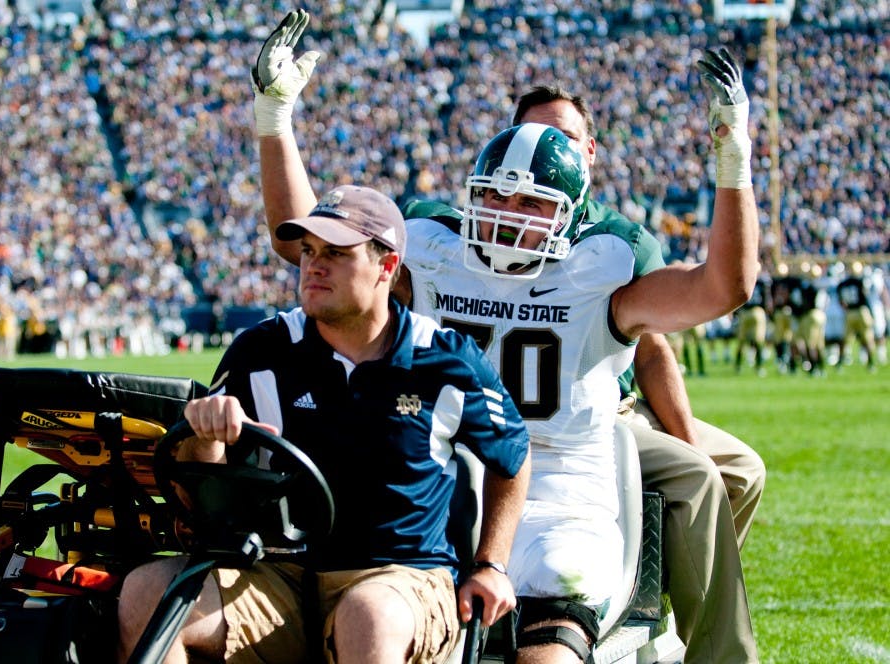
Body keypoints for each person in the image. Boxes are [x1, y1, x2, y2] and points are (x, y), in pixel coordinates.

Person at [251, 11, 760, 662]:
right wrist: (275, 119)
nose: (508, 216)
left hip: (555, 496)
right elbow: (310, 242)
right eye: (496, 197)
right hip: (438, 485)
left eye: (532, 203)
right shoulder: (436, 251)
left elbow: (724, 287)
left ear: (574, 206)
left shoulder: (600, 268)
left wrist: (732, 156)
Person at [116, 184, 532, 664]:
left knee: (367, 616)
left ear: (387, 267)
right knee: (147, 593)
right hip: (279, 575)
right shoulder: (261, 351)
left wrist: (491, 563)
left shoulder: (445, 359)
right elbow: (200, 500)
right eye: (309, 250)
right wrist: (205, 439)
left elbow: (514, 458)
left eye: (336, 253)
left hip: (402, 577)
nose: (314, 265)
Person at [734, 271, 772, 376]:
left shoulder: (745, 280)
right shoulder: (762, 282)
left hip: (745, 311)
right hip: (757, 311)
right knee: (758, 341)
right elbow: (767, 300)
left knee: (742, 341)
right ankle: (759, 367)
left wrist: (736, 314)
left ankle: (738, 366)